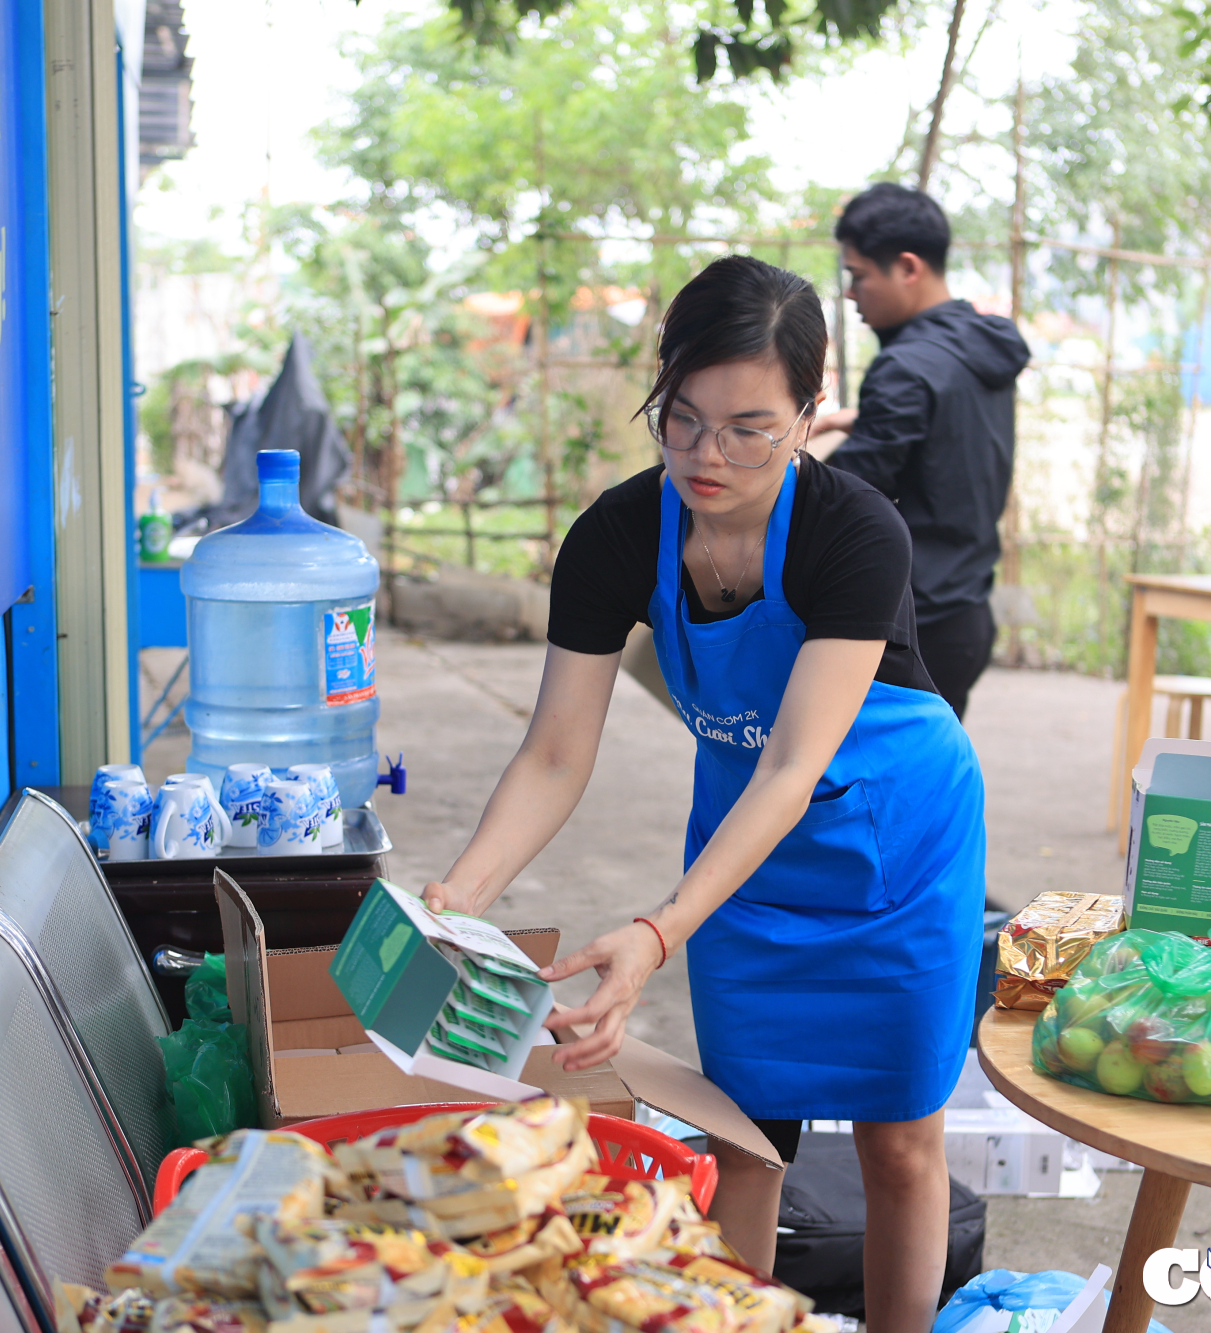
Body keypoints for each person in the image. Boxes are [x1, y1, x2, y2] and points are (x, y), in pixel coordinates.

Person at [423, 255, 985, 1333]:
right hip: (746, 851)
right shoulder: (619, 535)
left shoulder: (853, 532)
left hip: (896, 845)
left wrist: (656, 927)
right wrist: (459, 893)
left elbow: (793, 760)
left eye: (747, 429)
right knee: (745, 1134)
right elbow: (552, 752)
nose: (705, 456)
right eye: (680, 420)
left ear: (808, 413)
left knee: (899, 1139)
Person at [811, 183, 1030, 718]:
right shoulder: (976, 347)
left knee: (860, 791)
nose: (850, 292)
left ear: (908, 267)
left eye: (858, 275)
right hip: (964, 612)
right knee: (924, 788)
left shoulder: (905, 368)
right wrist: (850, 418)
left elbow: (844, 497)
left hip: (909, 626)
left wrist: (778, 444)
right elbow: (941, 438)